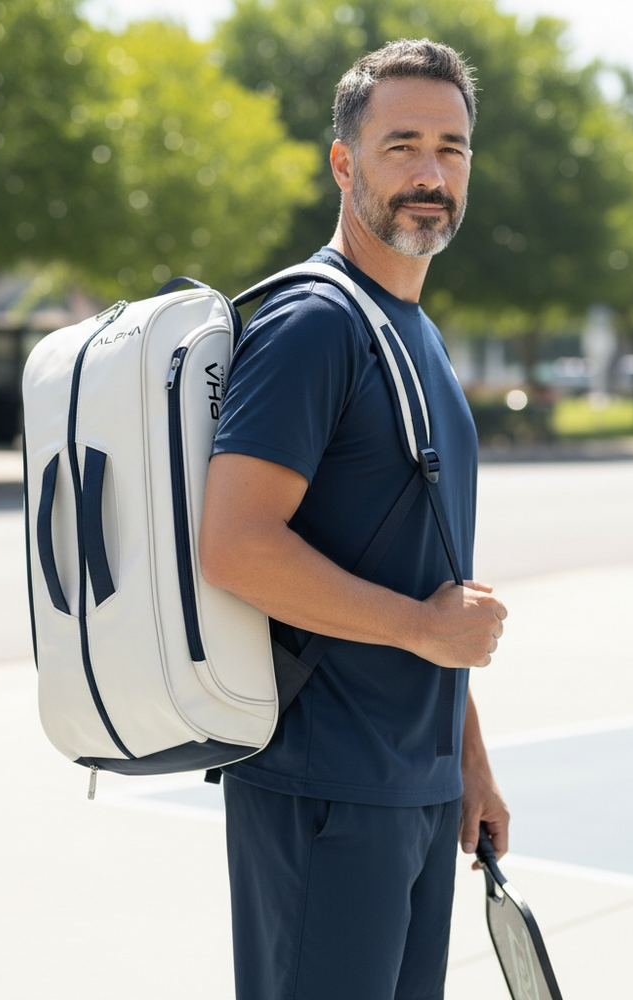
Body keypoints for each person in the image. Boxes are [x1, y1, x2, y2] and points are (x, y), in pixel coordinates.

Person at [199, 38, 509, 1000]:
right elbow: (235, 545)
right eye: (402, 145)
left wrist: (470, 764)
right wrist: (422, 628)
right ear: (344, 162)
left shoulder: (414, 331)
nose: (430, 174)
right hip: (324, 786)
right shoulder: (315, 324)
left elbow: (431, 578)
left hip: (415, 789)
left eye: (451, 149)